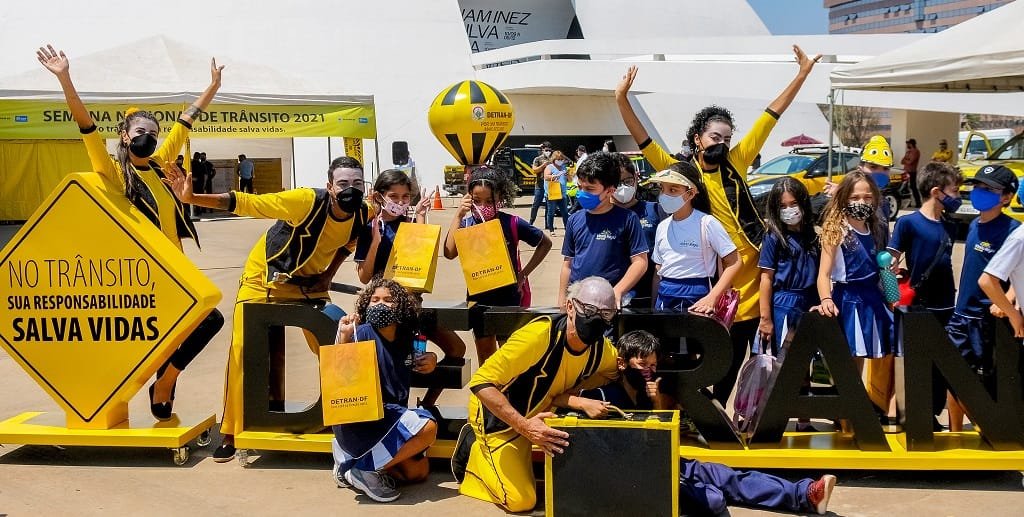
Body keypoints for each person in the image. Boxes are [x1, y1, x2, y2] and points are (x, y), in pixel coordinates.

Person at [615, 45, 821, 405]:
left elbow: (771, 116)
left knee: (742, 353)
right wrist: (622, 100)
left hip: (751, 275)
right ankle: (695, 410)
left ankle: (724, 411)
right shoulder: (679, 172)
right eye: (715, 137)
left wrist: (802, 74)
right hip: (710, 280)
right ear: (697, 139)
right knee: (705, 356)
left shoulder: (736, 162)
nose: (723, 144)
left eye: (727, 138)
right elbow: (643, 140)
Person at [37, 44, 225, 421]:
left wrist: (213, 88)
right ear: (124, 136)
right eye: (141, 131)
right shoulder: (113, 171)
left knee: (201, 323)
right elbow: (85, 124)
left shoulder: (160, 163)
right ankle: (161, 383)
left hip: (176, 266)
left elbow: (188, 120)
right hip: (147, 273)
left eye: (153, 132)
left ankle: (165, 379)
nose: (149, 137)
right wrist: (65, 78)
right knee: (196, 325)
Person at [165, 156, 372, 461]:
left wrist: (327, 276)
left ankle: (350, 419)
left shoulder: (362, 213)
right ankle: (232, 432)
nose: (349, 189)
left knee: (337, 344)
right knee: (243, 351)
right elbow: (250, 203)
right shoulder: (304, 201)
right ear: (330, 186)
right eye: (343, 183)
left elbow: (348, 244)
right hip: (265, 278)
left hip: (307, 285)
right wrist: (192, 198)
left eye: (356, 183)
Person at [578, 331, 837, 516]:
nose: (648, 371)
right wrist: (580, 404)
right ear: (622, 363)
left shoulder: (648, 394)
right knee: (712, 500)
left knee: (726, 475)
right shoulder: (605, 395)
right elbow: (562, 403)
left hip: (665, 462)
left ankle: (805, 494)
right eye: (642, 364)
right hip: (640, 474)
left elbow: (659, 437)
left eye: (653, 365)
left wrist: (656, 403)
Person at [457, 277, 620, 512]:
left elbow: (615, 371)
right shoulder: (539, 336)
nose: (597, 318)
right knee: (521, 500)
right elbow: (481, 382)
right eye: (590, 309)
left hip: (543, 415)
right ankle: (473, 454)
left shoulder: (600, 350)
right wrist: (525, 427)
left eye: (606, 314)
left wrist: (574, 398)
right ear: (571, 306)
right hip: (501, 421)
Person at [354, 169, 465, 411]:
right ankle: (383, 410)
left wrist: (421, 220)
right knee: (387, 362)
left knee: (456, 349)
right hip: (383, 313)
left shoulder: (410, 224)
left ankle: (426, 404)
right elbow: (364, 277)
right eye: (394, 196)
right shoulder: (370, 228)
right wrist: (374, 244)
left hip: (413, 307)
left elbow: (421, 267)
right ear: (378, 196)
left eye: (406, 197)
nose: (401, 202)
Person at [330, 278, 438, 503]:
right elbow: (339, 369)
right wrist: (344, 336)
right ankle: (363, 468)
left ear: (400, 306)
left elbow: (417, 361)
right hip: (363, 419)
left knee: (418, 473)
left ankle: (349, 461)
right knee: (428, 427)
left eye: (389, 300)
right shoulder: (361, 333)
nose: (381, 305)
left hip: (389, 418)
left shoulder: (408, 336)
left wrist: (432, 359)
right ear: (365, 306)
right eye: (374, 300)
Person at [443, 166, 552, 364]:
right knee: (486, 359)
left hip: (508, 299)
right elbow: (449, 253)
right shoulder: (466, 225)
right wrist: (458, 215)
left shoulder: (512, 223)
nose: (482, 205)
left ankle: (511, 395)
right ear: (468, 197)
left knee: (510, 359)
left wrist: (523, 273)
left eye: (489, 201)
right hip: (478, 300)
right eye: (477, 201)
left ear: (500, 196)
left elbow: (545, 243)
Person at [946, 165, 1019, 431]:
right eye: (977, 187)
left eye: (989, 189)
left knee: (983, 380)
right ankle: (954, 432)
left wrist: (1008, 300)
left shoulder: (1013, 230)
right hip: (960, 314)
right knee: (954, 375)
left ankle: (985, 426)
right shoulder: (975, 224)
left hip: (987, 319)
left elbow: (1018, 272)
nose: (979, 193)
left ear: (1007, 197)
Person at [815, 171, 894, 373]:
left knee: (861, 356)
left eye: (867, 197)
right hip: (847, 300)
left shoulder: (877, 229)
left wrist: (892, 292)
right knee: (844, 360)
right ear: (843, 199)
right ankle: (843, 401)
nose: (862, 202)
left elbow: (883, 269)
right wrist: (826, 300)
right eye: (855, 197)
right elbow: (823, 274)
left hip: (872, 299)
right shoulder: (836, 230)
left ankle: (856, 400)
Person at [559, 152, 649, 308]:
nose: (582, 193)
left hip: (609, 303)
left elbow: (640, 263)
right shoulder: (574, 219)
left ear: (610, 191)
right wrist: (561, 301)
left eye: (589, 188)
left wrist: (617, 292)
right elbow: (568, 265)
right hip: (578, 301)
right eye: (580, 187)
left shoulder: (628, 219)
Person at [649, 166, 741, 317]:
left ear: (690, 193)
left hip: (697, 295)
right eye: (662, 189)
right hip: (665, 295)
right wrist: (653, 308)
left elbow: (735, 262)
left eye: (673, 190)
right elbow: (658, 271)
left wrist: (712, 297)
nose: (664, 195)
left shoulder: (707, 223)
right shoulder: (662, 226)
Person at [757, 177, 820, 357]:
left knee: (807, 360)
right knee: (786, 363)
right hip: (784, 306)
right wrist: (765, 319)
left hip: (810, 303)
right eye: (783, 206)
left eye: (793, 204)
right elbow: (766, 278)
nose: (789, 210)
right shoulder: (773, 237)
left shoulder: (813, 237)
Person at [610, 152, 665, 309]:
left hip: (647, 295)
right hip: (611, 297)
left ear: (635, 178)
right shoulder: (602, 214)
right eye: (617, 182)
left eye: (627, 180)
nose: (623, 187)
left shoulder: (655, 210)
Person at [544, 150, 570, 236]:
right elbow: (546, 177)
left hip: (562, 194)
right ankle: (551, 229)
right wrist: (554, 176)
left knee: (565, 212)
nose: (560, 161)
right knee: (551, 212)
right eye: (558, 159)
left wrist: (567, 175)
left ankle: (567, 229)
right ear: (554, 159)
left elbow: (569, 179)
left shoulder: (563, 167)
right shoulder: (550, 167)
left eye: (561, 159)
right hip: (552, 194)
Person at [529, 141, 553, 226]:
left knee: (548, 206)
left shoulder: (553, 159)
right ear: (542, 150)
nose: (548, 152)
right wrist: (543, 165)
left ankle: (548, 224)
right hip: (539, 186)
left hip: (550, 186)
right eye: (546, 150)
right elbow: (534, 170)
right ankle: (531, 223)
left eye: (549, 150)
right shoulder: (538, 159)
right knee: (536, 205)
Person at [901, 138, 922, 207]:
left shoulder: (916, 151)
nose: (907, 145)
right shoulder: (908, 152)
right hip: (905, 171)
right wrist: (907, 160)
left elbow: (910, 162)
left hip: (912, 172)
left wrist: (906, 160)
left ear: (911, 144)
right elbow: (902, 161)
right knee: (905, 187)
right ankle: (908, 203)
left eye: (908, 143)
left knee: (913, 187)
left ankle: (918, 203)